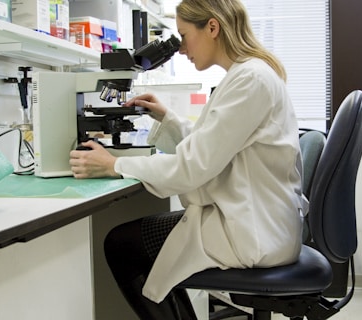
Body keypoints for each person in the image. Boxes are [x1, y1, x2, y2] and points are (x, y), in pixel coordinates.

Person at [69, 0, 306, 318]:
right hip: (254, 219)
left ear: (212, 27)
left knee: (121, 244)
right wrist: (167, 119)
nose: (180, 49)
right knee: (134, 244)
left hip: (253, 231)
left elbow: (192, 167)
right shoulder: (248, 74)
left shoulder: (250, 80)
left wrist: (114, 165)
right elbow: (215, 145)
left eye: (183, 35)